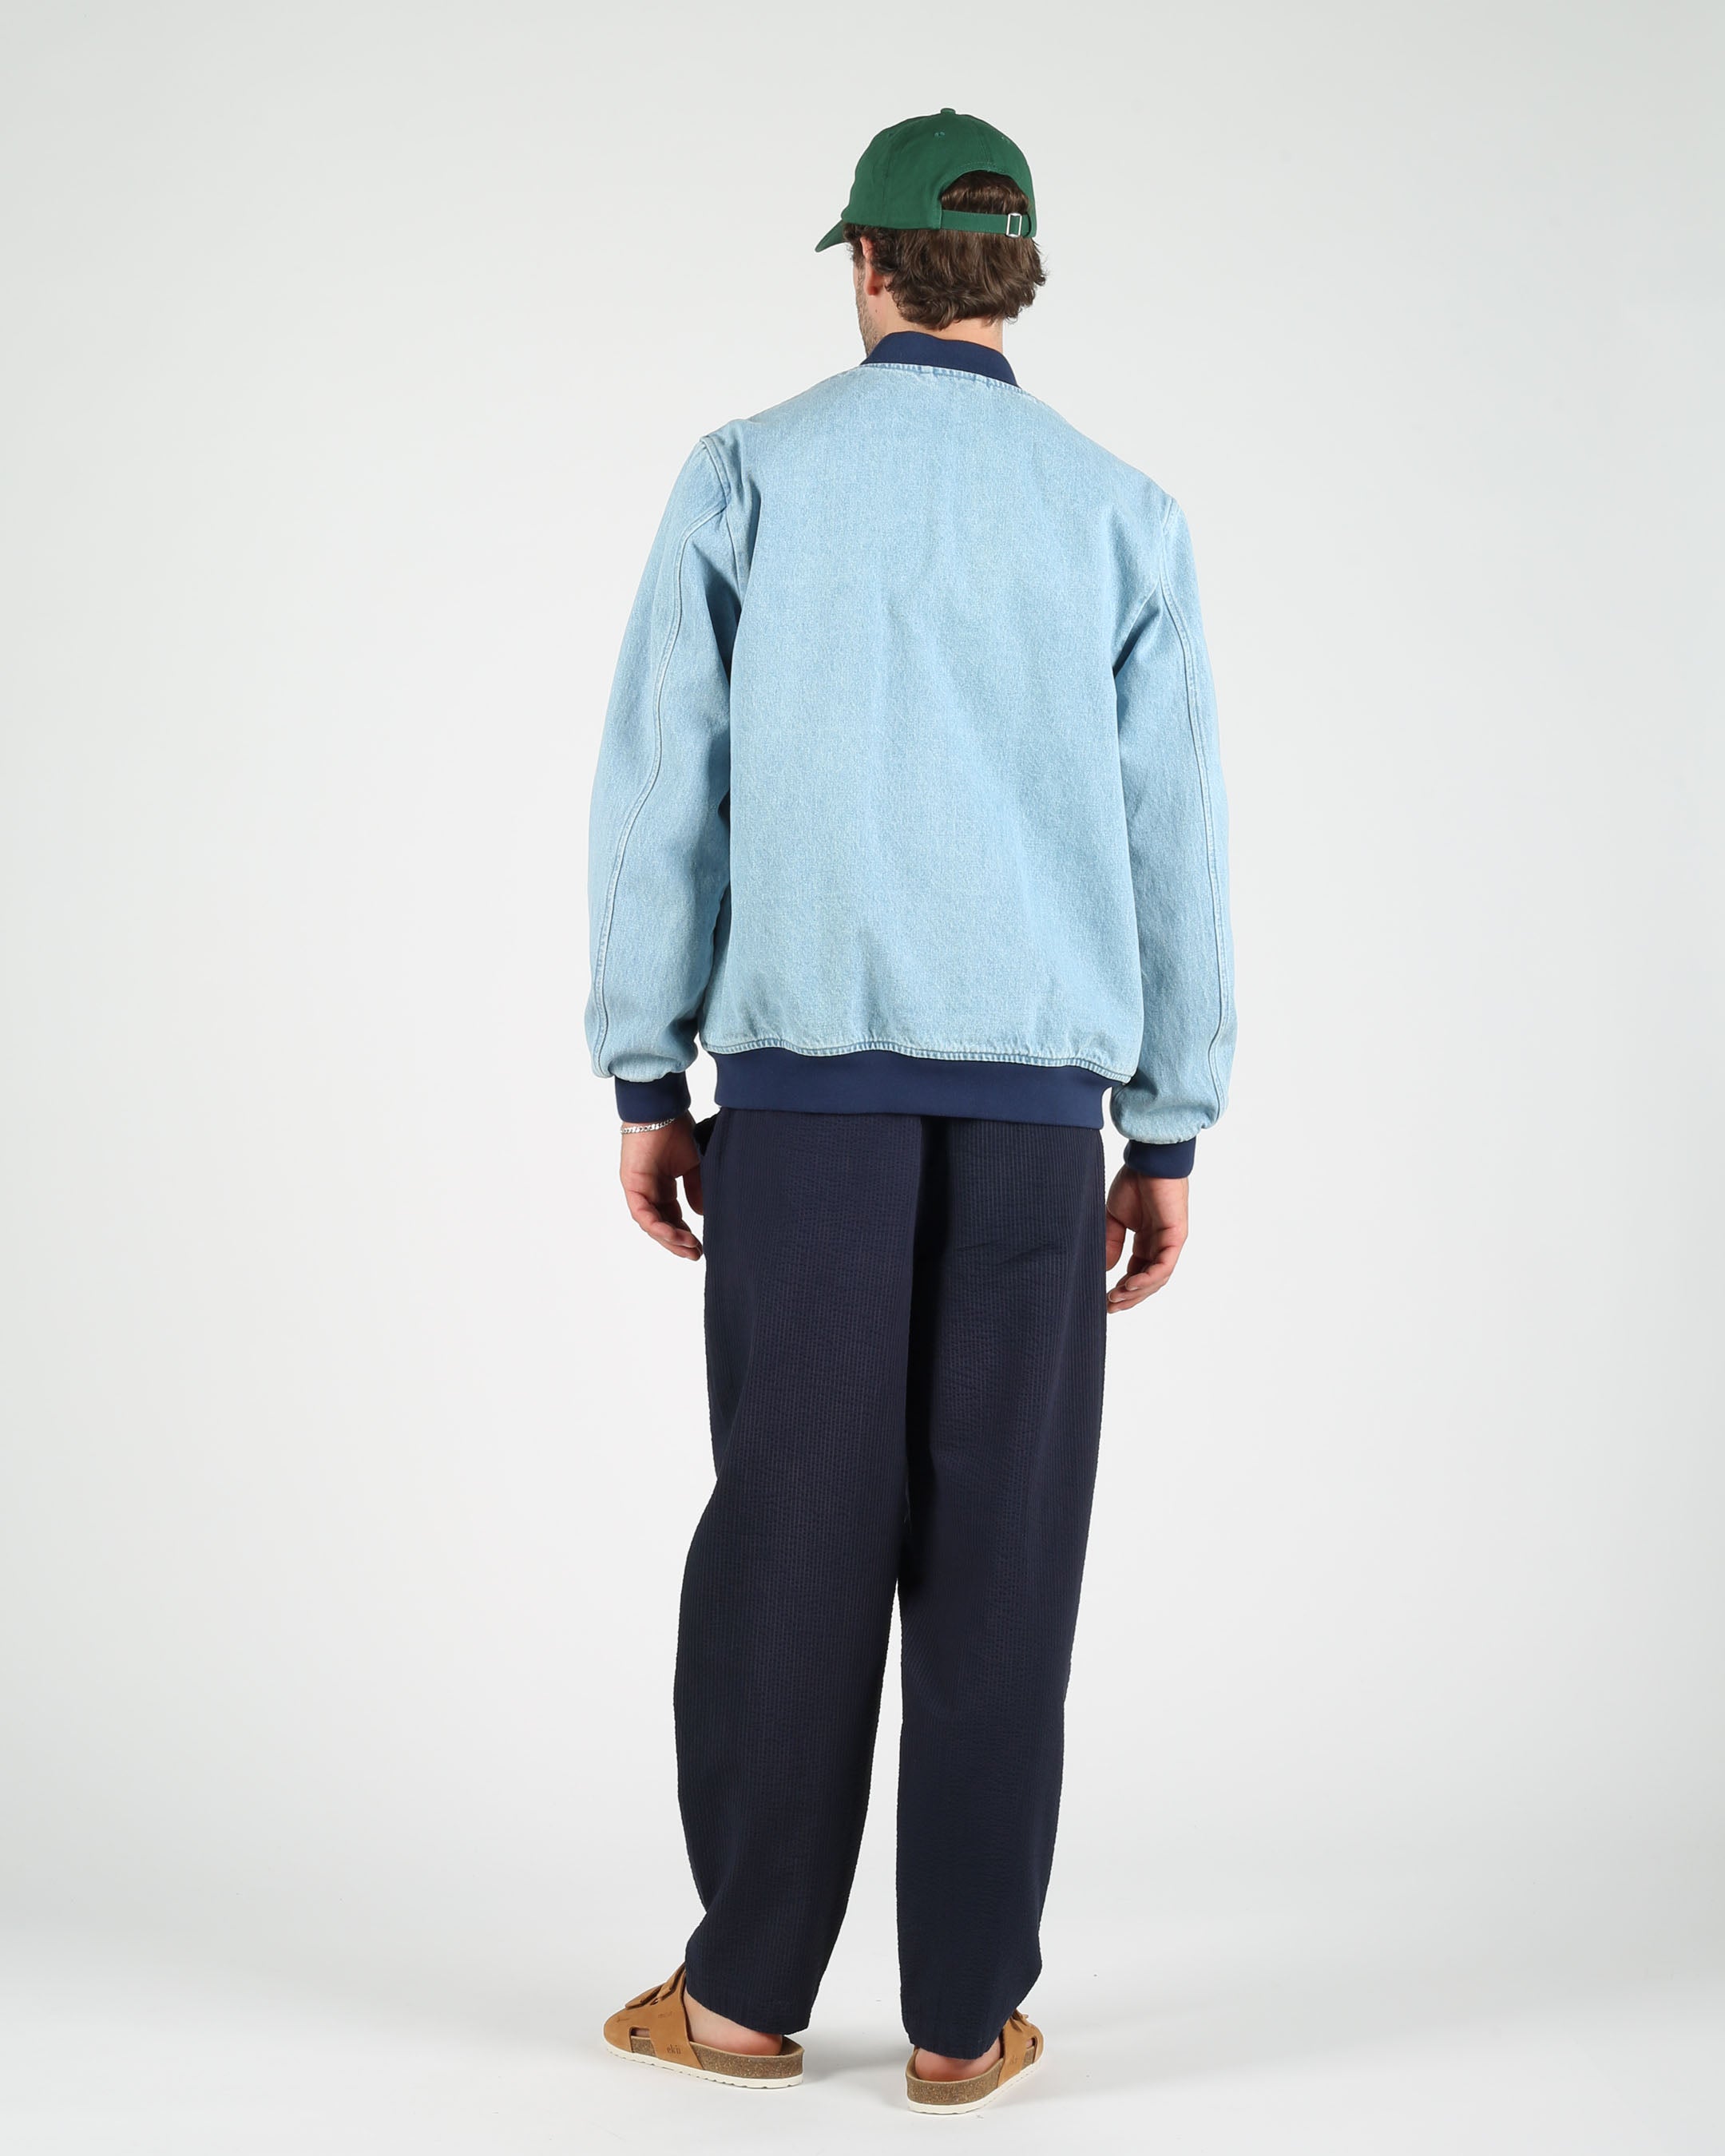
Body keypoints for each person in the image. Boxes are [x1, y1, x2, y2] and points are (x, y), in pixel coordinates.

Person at [586, 105, 1234, 2114]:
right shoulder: (1122, 513)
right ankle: (962, 2022)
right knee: (1001, 1554)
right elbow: (1177, 843)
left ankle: (743, 1999)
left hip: (803, 1112)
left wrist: (648, 1072)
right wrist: (1169, 1129)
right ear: (1013, 274)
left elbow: (663, 791)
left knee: (790, 1538)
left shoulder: (750, 475)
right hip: (1042, 1127)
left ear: (866, 265)